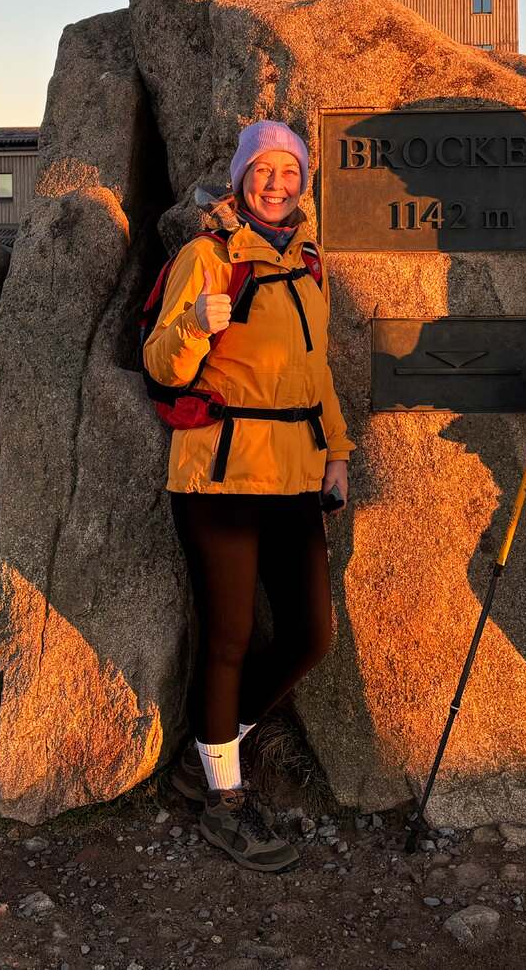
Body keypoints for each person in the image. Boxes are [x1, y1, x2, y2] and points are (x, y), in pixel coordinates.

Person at [144, 120, 352, 873]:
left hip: (294, 473)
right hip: (221, 474)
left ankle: (208, 752)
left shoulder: (307, 262)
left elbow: (316, 371)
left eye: (289, 171)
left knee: (311, 635)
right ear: (240, 178)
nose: (276, 184)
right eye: (262, 170)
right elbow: (162, 366)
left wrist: (337, 452)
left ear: (303, 182)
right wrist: (194, 326)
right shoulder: (207, 257)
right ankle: (222, 800)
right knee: (227, 636)